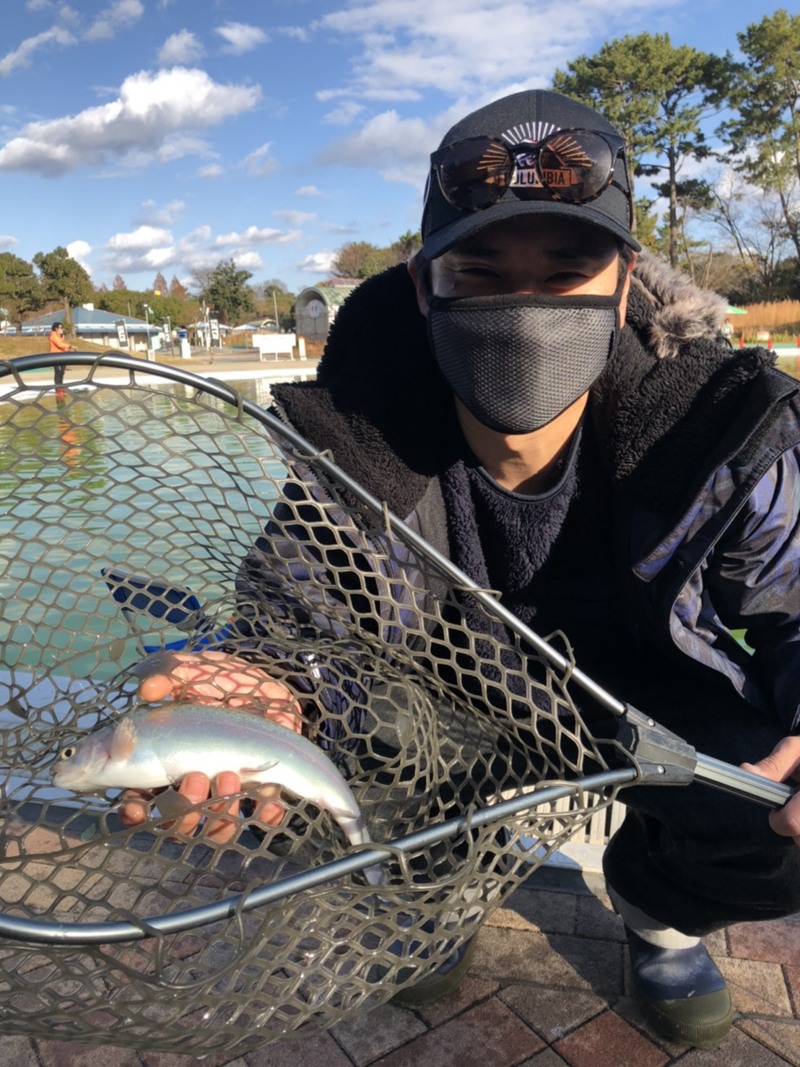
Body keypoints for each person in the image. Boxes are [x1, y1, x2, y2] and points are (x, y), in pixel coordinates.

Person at [123, 89, 800, 1049]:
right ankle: (438, 886)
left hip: (648, 693)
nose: (524, 311)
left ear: (624, 285)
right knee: (356, 742)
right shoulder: (354, 434)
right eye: (481, 272)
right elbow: (290, 611)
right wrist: (258, 679)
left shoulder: (714, 425)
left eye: (566, 273)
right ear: (422, 287)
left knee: (771, 806)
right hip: (450, 689)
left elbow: (795, 600)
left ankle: (660, 910)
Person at [48, 321, 76, 389]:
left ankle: (61, 387)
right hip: (56, 357)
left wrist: (68, 350)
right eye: (60, 328)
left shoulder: (61, 336)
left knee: (62, 373)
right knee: (58, 373)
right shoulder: (53, 336)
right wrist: (70, 346)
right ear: (56, 328)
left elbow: (62, 347)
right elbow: (59, 345)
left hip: (62, 356)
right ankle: (58, 388)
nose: (62, 329)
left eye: (62, 328)